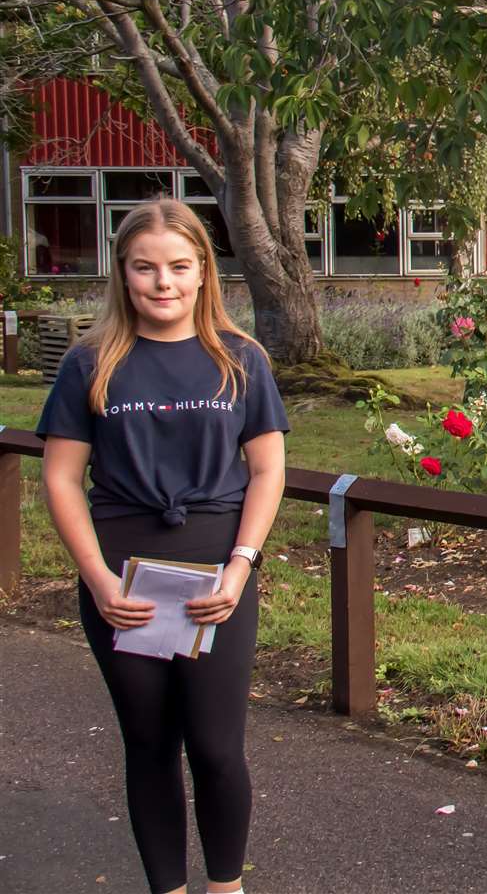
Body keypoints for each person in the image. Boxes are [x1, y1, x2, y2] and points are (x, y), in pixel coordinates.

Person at [37, 198, 289, 894]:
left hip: (217, 573)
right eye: (145, 268)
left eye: (180, 266)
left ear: (205, 270)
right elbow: (60, 478)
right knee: (149, 743)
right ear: (123, 273)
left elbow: (268, 469)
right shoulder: (91, 362)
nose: (163, 283)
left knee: (214, 745)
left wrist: (242, 565)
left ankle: (226, 887)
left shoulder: (240, 359)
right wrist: (96, 579)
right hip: (122, 577)